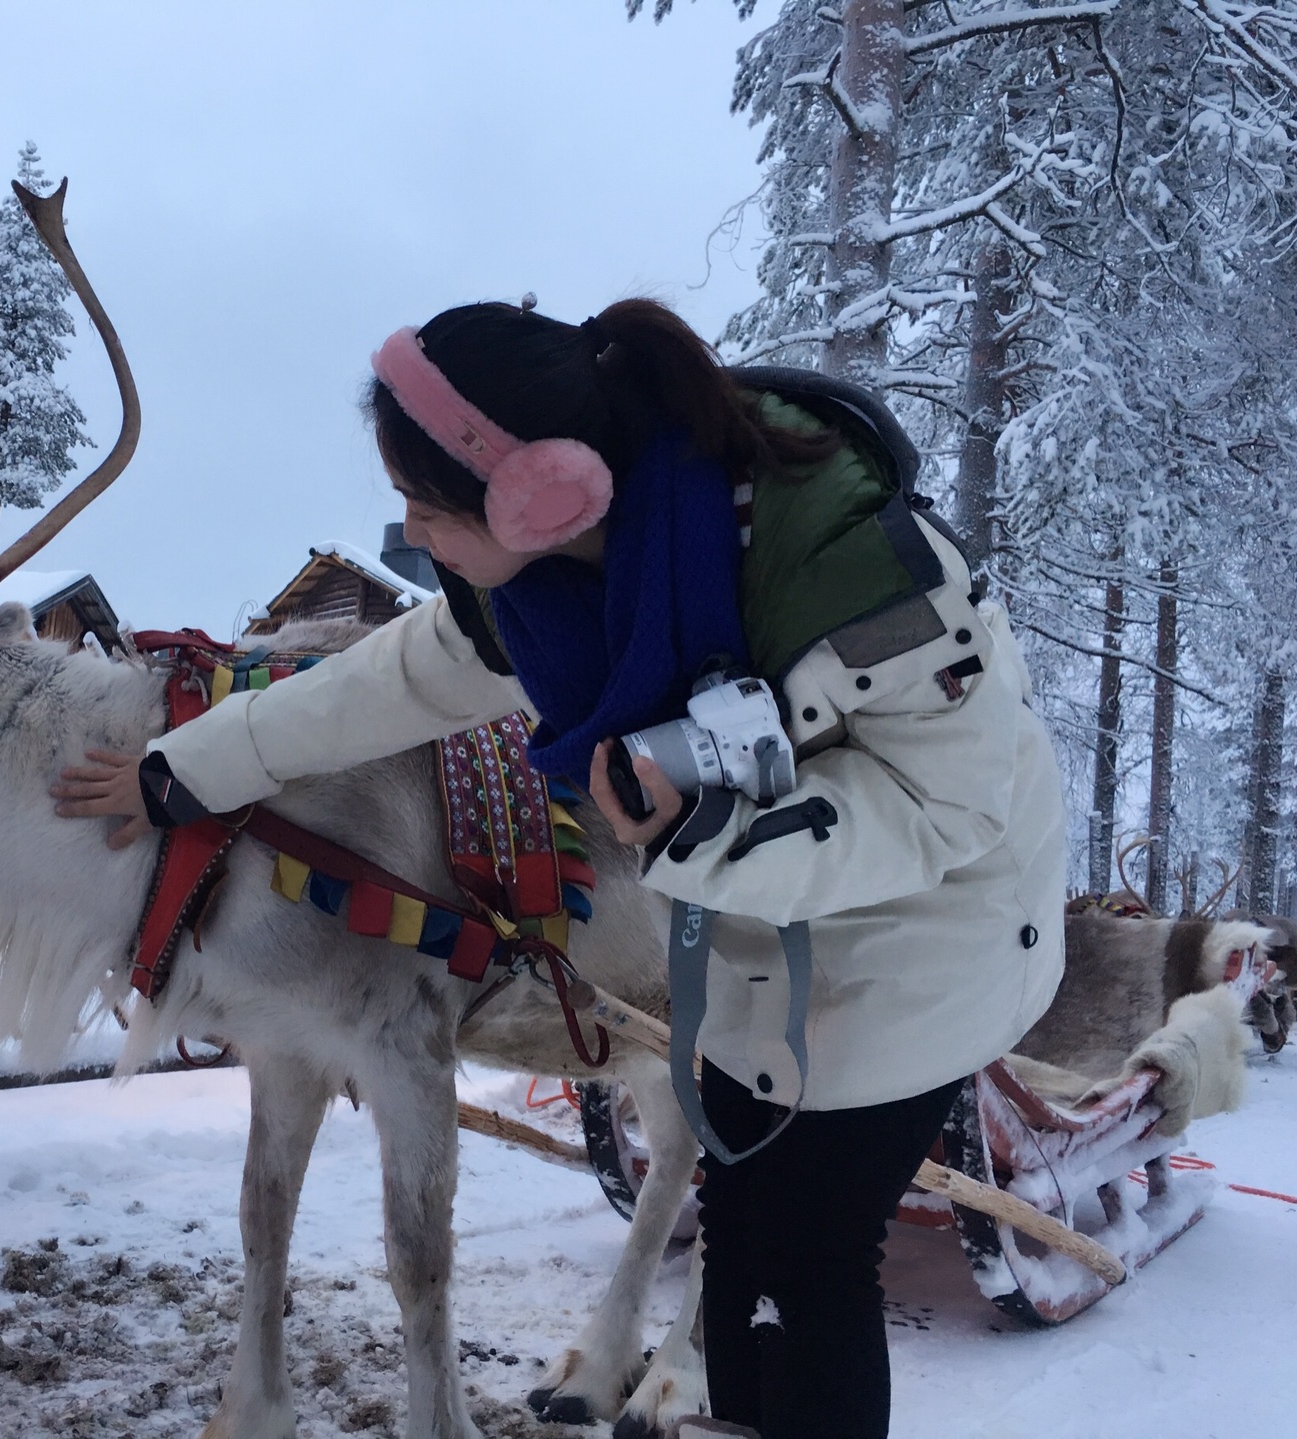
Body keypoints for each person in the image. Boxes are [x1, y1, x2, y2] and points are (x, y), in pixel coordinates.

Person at [53, 298, 1066, 1439]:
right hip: (752, 924)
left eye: (428, 504)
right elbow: (377, 687)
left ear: (544, 491)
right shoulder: (534, 591)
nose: (413, 532)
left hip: (923, 933)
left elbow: (950, 803)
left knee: (811, 1252)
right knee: (740, 1235)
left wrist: (709, 830)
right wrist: (180, 772)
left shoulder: (853, 565)